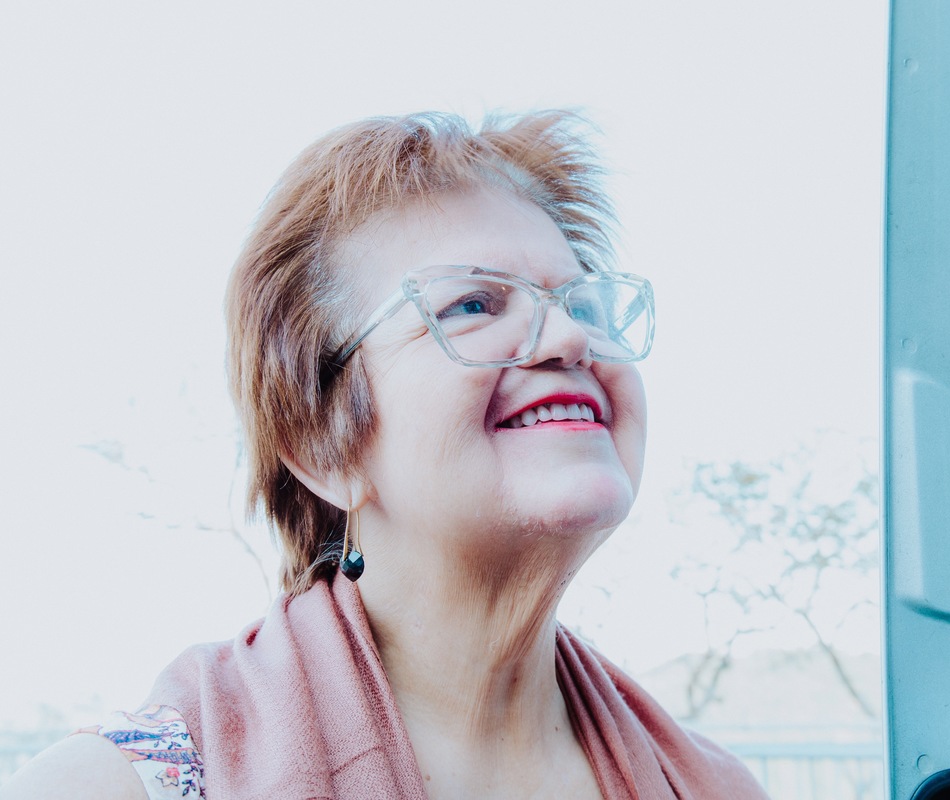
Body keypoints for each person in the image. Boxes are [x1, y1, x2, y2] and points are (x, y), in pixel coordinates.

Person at [1, 111, 767, 799]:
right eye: (472, 304)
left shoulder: (713, 785)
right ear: (320, 444)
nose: (570, 340)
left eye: (583, 304)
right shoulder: (125, 786)